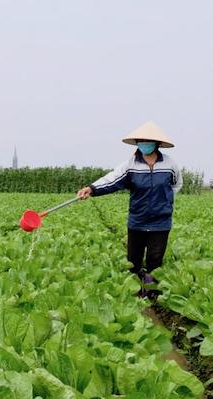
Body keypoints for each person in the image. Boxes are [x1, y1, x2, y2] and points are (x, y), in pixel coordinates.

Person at [77, 120, 182, 295]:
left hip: (160, 221)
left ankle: (151, 292)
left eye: (147, 141)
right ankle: (133, 291)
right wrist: (92, 189)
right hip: (138, 220)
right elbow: (112, 179)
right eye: (141, 141)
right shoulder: (131, 164)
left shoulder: (169, 164)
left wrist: (165, 201)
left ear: (156, 143)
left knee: (155, 260)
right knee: (133, 260)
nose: (144, 144)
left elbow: (176, 184)